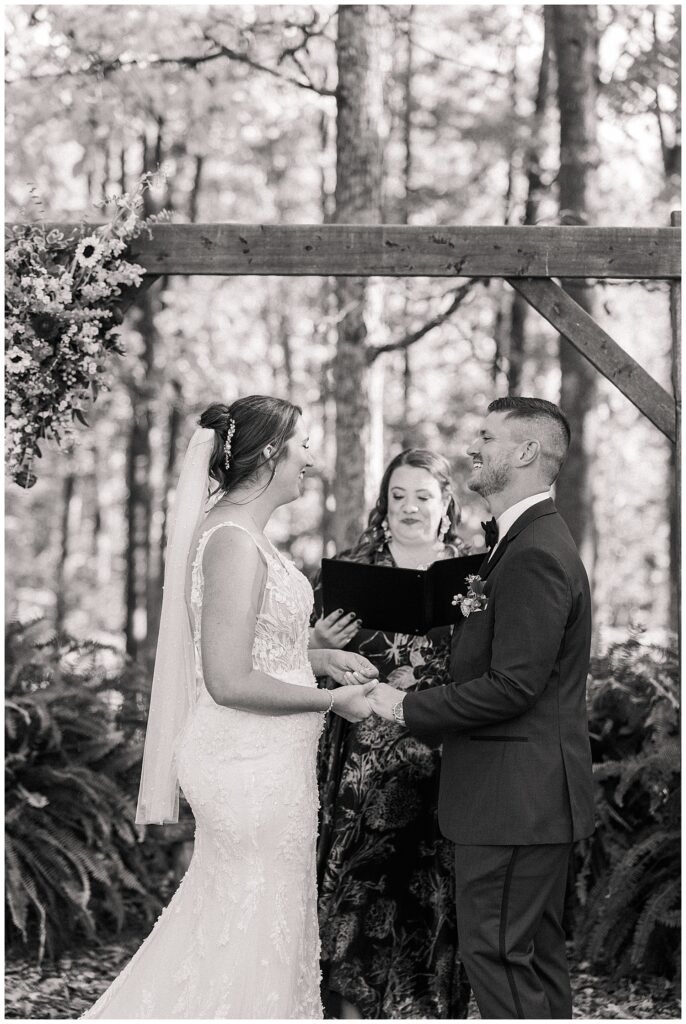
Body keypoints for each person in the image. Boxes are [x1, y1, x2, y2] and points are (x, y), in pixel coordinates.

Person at [83, 396, 378, 1020]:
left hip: (267, 760)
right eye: (303, 446)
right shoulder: (232, 543)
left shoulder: (242, 536)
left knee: (253, 921)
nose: (311, 460)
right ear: (270, 452)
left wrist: (316, 659)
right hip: (246, 766)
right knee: (249, 922)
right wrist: (331, 699)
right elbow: (225, 678)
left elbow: (253, 651)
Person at [368, 397, 595, 1020]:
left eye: (487, 437)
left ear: (525, 453)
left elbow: (514, 687)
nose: (473, 446)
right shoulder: (520, 542)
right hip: (523, 800)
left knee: (497, 959)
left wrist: (404, 707)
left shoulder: (535, 554)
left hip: (515, 803)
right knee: (532, 959)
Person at [311, 449, 472, 1020]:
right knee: (360, 884)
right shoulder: (351, 570)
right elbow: (296, 662)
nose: (409, 507)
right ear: (384, 504)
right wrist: (317, 642)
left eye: (423, 496)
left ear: (446, 503)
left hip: (446, 759)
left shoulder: (473, 576)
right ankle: (349, 1009)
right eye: (398, 496)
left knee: (432, 890)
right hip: (365, 765)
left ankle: (424, 1009)